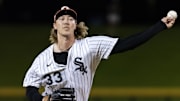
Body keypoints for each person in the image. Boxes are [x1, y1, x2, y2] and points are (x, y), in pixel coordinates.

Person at [22, 6, 176, 101]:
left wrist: (160, 26)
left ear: (75, 25)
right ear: (55, 25)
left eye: (70, 18)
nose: (66, 21)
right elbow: (30, 87)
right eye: (61, 19)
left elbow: (127, 44)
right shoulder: (42, 59)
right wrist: (42, 99)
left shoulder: (89, 46)